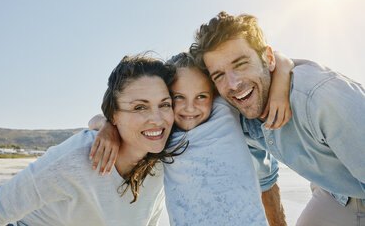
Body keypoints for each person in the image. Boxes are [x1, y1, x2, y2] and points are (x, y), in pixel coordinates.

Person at [189, 11, 365, 226]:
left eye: (241, 64)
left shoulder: (320, 99)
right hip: (333, 189)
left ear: (269, 59)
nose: (233, 84)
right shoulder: (234, 112)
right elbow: (265, 178)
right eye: (219, 75)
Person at [88, 52, 293, 225]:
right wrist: (108, 126)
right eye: (178, 97)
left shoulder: (223, 109)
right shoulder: (164, 134)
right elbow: (104, 119)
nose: (190, 108)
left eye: (201, 96)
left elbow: (278, 60)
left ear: (212, 94)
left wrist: (282, 78)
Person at [0, 55, 184, 226]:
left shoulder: (162, 161)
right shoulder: (77, 156)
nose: (158, 119)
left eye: (164, 104)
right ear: (113, 115)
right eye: (140, 107)